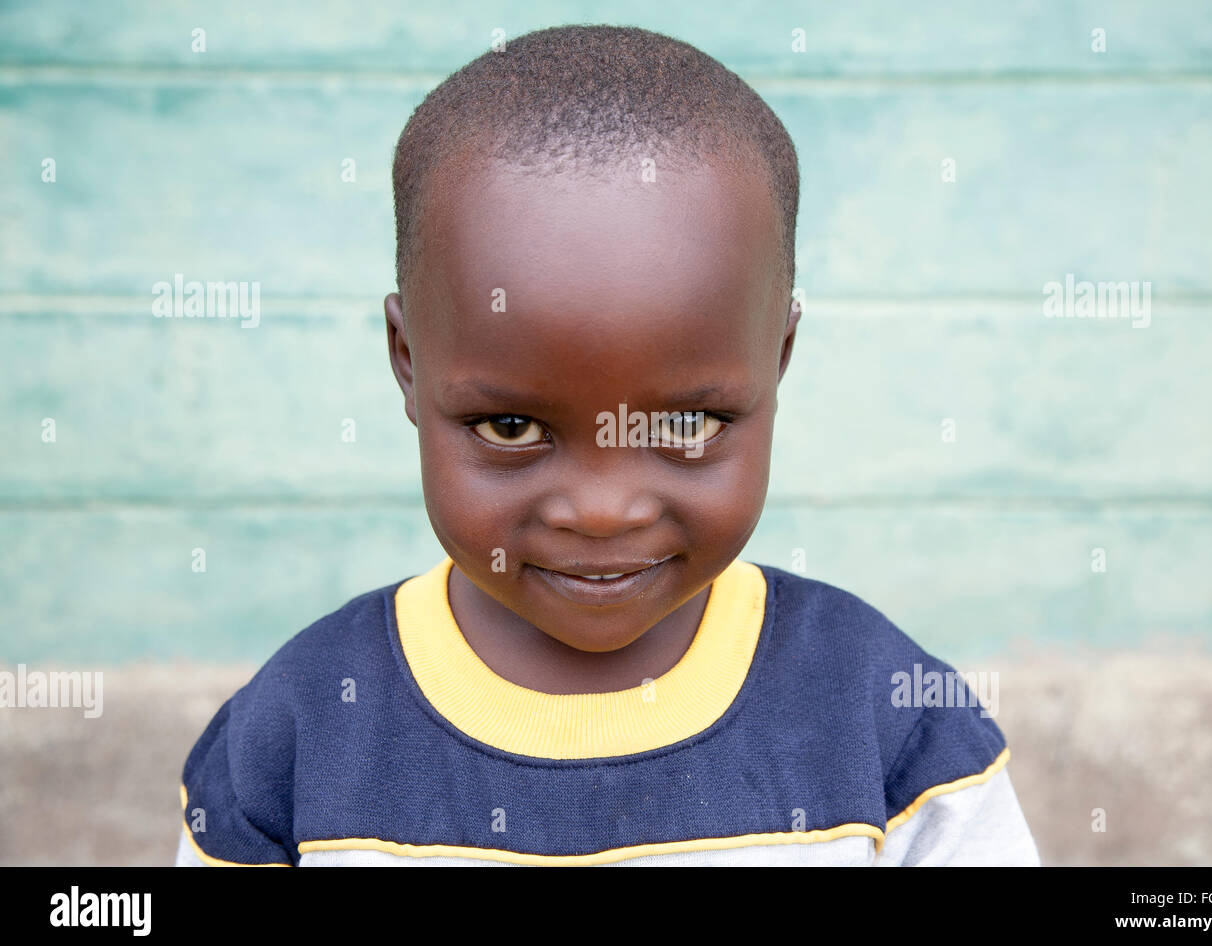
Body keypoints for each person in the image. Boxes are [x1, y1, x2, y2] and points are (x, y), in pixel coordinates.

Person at [175, 23, 1039, 866]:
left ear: (778, 359)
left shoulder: (888, 725)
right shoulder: (296, 738)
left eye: (685, 426)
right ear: (408, 364)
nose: (599, 511)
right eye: (511, 427)